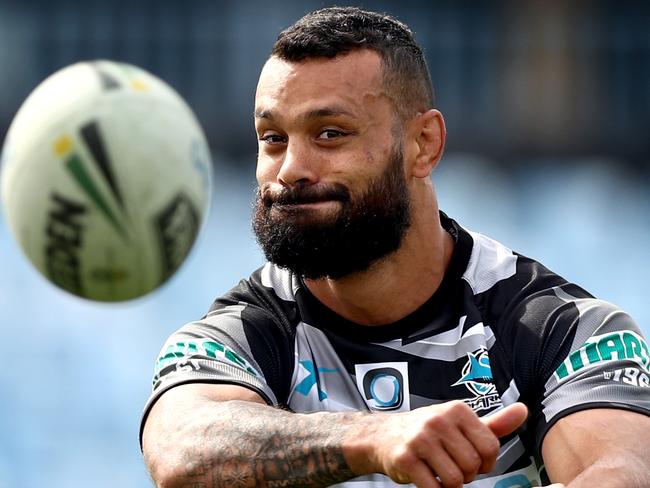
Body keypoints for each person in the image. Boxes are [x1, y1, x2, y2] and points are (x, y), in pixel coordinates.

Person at [140, 6, 650, 488]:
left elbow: (620, 470)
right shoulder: (246, 332)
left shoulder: (561, 330)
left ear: (423, 144)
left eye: (330, 133)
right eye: (272, 138)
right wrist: (374, 437)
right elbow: (181, 449)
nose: (291, 168)